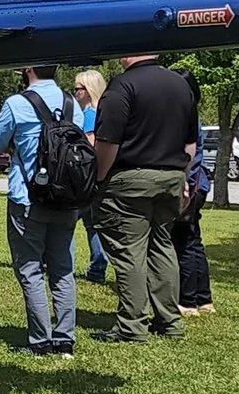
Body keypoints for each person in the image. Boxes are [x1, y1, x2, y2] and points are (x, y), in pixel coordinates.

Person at [89, 53, 198, 342]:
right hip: (171, 178)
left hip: (131, 179)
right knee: (162, 246)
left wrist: (98, 179)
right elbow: (190, 144)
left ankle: (131, 325)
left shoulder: (122, 86)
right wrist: (181, 175)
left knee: (130, 251)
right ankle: (169, 321)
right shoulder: (180, 85)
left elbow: (108, 141)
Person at [0, 65, 80, 356]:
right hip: (65, 196)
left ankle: (40, 339)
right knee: (63, 269)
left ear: (27, 70)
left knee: (30, 269)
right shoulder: (70, 102)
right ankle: (65, 338)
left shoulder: (17, 103)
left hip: (28, 196)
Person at [72, 70, 110, 285]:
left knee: (65, 222)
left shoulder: (88, 115)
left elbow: (89, 146)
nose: (75, 93)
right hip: (100, 179)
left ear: (88, 90)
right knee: (93, 225)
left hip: (86, 179)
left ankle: (62, 265)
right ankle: (97, 268)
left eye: (78, 88)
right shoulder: (105, 112)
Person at [173, 138, 214, 314]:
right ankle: (204, 300)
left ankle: (188, 301)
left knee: (184, 243)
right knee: (194, 241)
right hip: (198, 185)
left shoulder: (186, 118)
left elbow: (189, 155)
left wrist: (184, 185)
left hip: (190, 186)